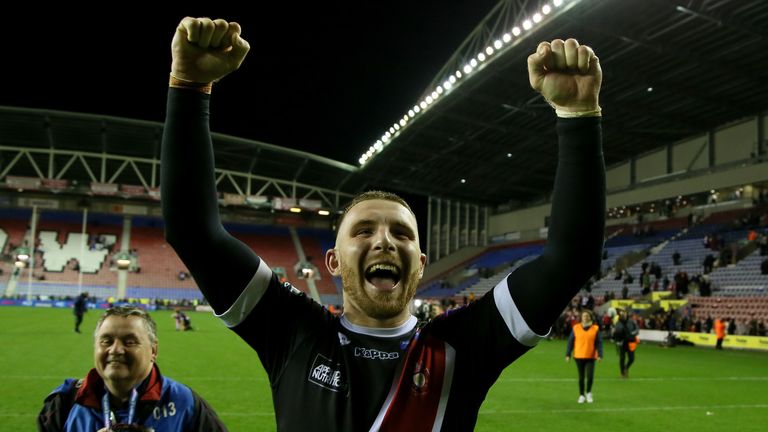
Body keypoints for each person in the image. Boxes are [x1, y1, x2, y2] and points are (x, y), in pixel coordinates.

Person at [161, 16, 605, 431]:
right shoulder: (292, 332)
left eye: (401, 233)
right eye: (364, 230)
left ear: (421, 262)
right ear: (332, 261)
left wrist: (579, 116)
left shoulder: (465, 346)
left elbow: (570, 260)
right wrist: (189, 86)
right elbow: (193, 231)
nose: (384, 242)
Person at [37, 306, 226, 431]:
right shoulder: (64, 404)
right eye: (106, 341)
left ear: (153, 350)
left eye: (129, 341)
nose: (116, 350)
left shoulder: (185, 403)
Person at [565, 311, 603, 404]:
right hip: (578, 356)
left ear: (590, 317)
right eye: (584, 315)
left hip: (590, 356)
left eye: (587, 316)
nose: (585, 317)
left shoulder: (595, 328)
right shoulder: (576, 327)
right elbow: (570, 342)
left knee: (590, 376)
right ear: (581, 317)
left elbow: (599, 343)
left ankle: (589, 392)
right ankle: (581, 395)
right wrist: (568, 354)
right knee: (581, 377)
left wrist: (600, 355)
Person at [612, 308, 639, 378]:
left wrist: (631, 334)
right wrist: (617, 339)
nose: (623, 314)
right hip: (622, 343)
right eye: (622, 313)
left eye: (624, 313)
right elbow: (616, 333)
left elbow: (637, 330)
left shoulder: (632, 321)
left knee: (632, 358)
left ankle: (626, 368)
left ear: (627, 313)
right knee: (622, 358)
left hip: (630, 342)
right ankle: (622, 373)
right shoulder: (618, 323)